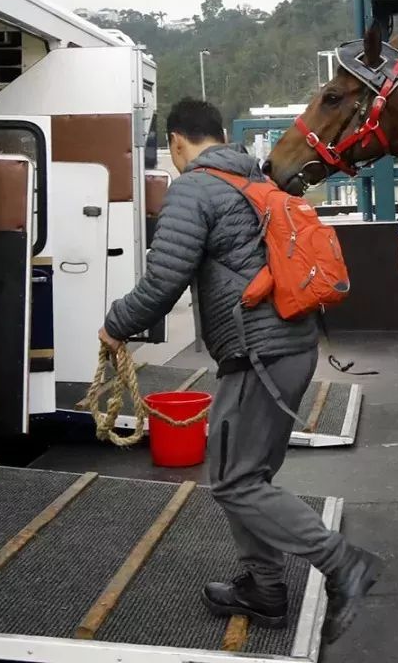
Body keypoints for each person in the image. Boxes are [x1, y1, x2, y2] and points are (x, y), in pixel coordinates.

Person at [98, 98, 380, 643]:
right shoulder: (255, 181)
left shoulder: (194, 188)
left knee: (233, 480)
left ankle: (343, 562)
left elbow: (163, 283)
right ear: (223, 134)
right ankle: (264, 586)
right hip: (286, 347)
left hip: (260, 354)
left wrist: (114, 327)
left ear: (176, 141)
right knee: (247, 475)